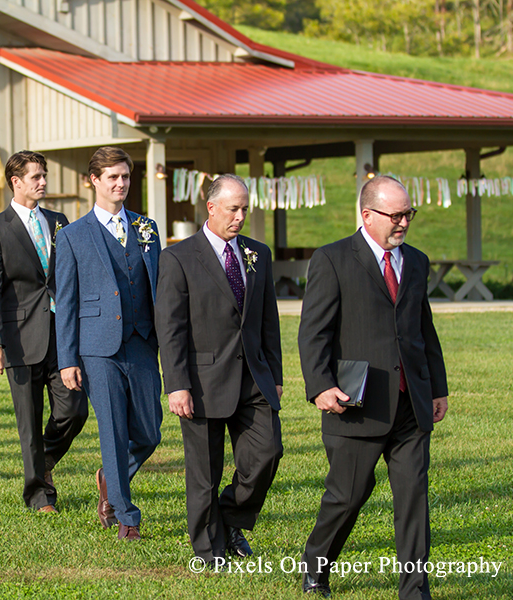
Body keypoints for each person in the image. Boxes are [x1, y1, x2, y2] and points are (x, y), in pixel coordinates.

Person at [298, 175, 448, 599]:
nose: (403, 223)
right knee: (347, 497)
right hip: (355, 402)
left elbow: (423, 329)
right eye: (395, 215)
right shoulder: (332, 259)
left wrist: (437, 387)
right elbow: (314, 334)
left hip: (410, 404)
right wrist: (320, 387)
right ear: (367, 215)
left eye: (408, 214)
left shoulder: (416, 261)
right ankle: (315, 567)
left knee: (414, 498)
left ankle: (415, 590)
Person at [156, 174, 283, 566]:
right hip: (201, 381)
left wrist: (275, 376)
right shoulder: (177, 258)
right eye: (233, 208)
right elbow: (171, 328)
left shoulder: (257, 254)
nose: (241, 216)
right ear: (211, 208)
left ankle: (231, 518)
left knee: (268, 454)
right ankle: (208, 550)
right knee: (205, 474)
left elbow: (268, 321)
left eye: (245, 208)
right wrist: (177, 385)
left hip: (254, 379)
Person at [55, 146, 162, 541]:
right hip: (97, 346)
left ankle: (109, 478)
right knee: (113, 431)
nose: (120, 184)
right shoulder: (72, 236)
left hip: (142, 341)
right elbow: (65, 301)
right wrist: (68, 359)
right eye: (112, 177)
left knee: (150, 431)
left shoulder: (147, 228)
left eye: (126, 177)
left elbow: (158, 287)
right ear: (94, 181)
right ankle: (126, 516)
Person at [0, 150, 88, 513]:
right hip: (19, 339)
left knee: (74, 410)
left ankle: (43, 461)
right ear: (16, 182)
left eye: (44, 175)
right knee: (28, 422)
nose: (43, 182)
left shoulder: (59, 221)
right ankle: (39, 496)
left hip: (62, 334)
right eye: (36, 177)